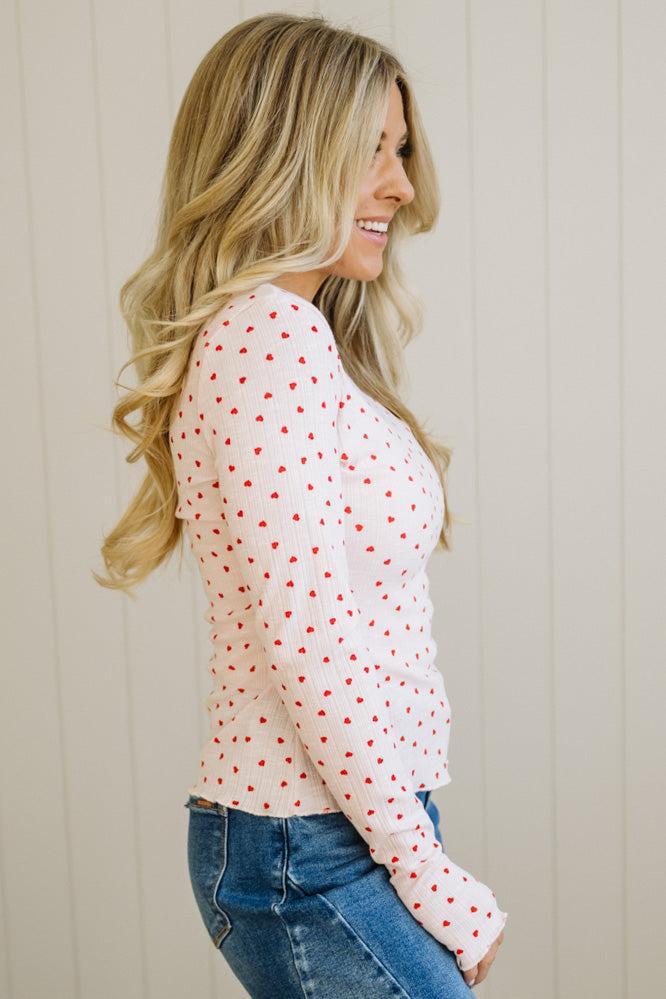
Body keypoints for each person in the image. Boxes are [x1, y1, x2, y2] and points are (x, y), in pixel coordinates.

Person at [95, 12, 508, 997]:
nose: (402, 186)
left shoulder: (289, 338)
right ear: (282, 155)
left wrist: (409, 843)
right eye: (372, 151)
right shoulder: (266, 337)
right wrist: (428, 871)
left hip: (333, 829)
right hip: (306, 845)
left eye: (401, 150)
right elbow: (309, 643)